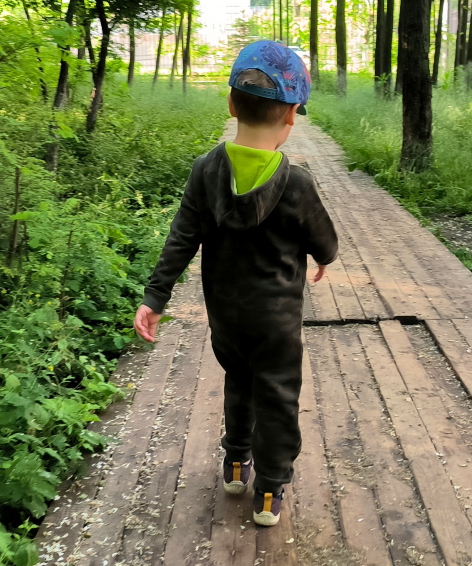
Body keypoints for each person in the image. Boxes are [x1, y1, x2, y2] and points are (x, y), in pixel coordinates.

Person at [133, 39, 338, 527]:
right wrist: (324, 257)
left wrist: (156, 296)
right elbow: (322, 238)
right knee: (278, 395)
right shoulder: (297, 183)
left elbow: (182, 236)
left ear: (230, 103)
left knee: (239, 382)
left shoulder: (206, 170)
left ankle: (234, 463)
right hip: (277, 322)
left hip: (225, 315)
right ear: (292, 116)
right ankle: (268, 489)